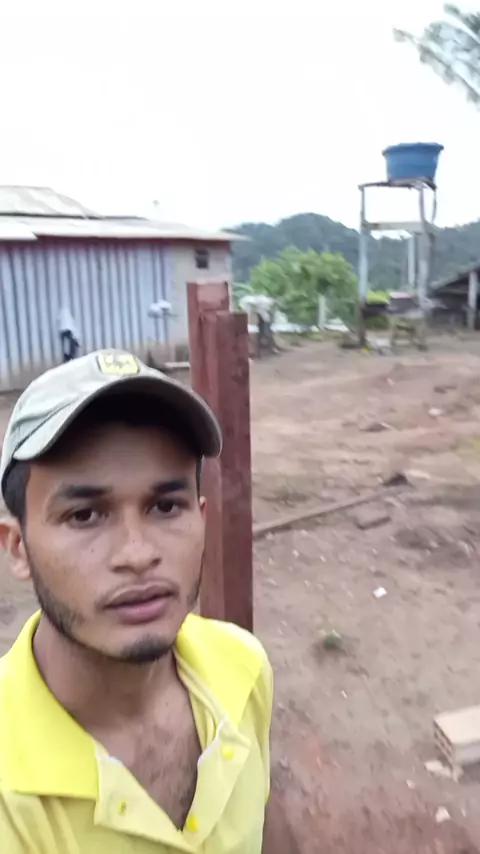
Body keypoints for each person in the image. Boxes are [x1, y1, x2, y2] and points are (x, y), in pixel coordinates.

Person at [0, 349, 275, 853]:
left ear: (202, 517)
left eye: (166, 506)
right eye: (85, 515)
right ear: (18, 548)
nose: (138, 554)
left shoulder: (243, 668)